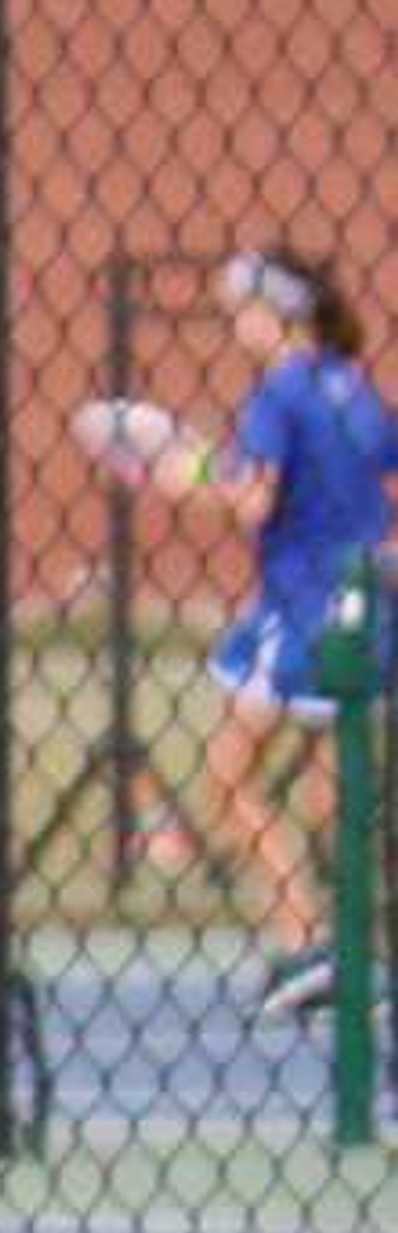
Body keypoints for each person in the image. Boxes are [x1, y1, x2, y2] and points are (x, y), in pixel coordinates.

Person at [135, 250, 396, 1016]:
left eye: (242, 307)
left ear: (277, 314)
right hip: (368, 612)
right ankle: (348, 956)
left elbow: (252, 499)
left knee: (229, 781)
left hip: (300, 614)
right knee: (332, 802)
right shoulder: (354, 387)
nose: (234, 322)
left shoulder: (278, 394)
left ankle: (306, 941)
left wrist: (180, 478)